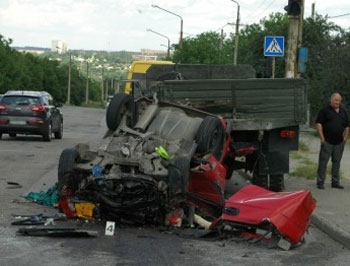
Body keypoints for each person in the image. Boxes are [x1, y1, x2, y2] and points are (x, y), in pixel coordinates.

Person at [315, 92, 349, 189]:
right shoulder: (324, 111)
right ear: (331, 100)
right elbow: (318, 124)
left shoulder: (343, 111)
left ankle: (335, 182)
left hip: (339, 142)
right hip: (327, 141)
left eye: (339, 101)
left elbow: (347, 126)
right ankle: (320, 182)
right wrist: (322, 139)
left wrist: (345, 138)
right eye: (336, 100)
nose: (338, 102)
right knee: (323, 162)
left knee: (336, 162)